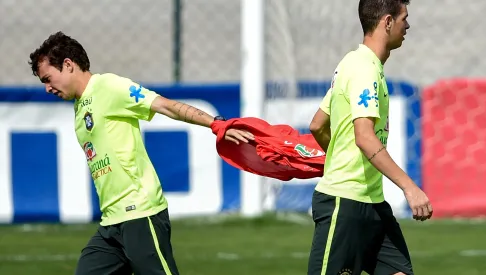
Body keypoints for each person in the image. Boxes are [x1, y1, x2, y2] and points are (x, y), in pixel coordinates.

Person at [28, 31, 254, 275]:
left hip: (140, 215)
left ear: (68, 65)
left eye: (48, 79)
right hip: (111, 223)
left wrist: (215, 123)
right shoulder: (80, 105)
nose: (48, 88)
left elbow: (165, 105)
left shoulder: (109, 87)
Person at [307, 0, 432, 274]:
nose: (408, 25)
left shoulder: (353, 64)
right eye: (404, 18)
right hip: (344, 204)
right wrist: (410, 188)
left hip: (373, 204)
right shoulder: (364, 70)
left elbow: (318, 124)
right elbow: (364, 137)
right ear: (387, 22)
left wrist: (337, 156)